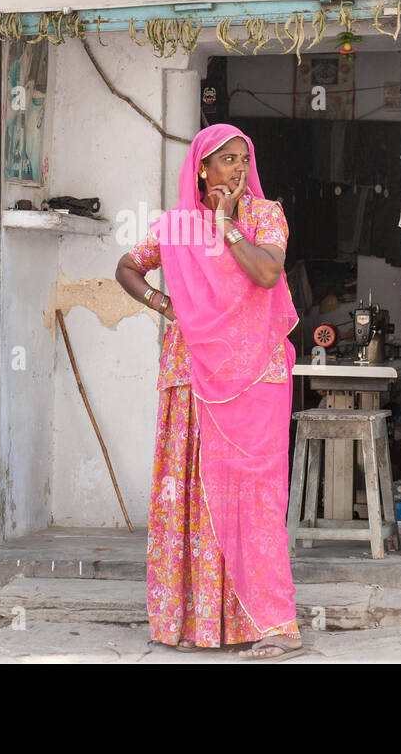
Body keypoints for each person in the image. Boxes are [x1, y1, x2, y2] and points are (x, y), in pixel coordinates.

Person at [115, 124, 303, 661]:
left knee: (254, 496)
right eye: (226, 160)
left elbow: (267, 275)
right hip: (191, 373)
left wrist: (227, 227)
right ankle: (194, 620)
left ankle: (274, 624)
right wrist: (164, 305)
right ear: (201, 168)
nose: (238, 169)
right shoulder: (175, 227)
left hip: (254, 376)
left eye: (244, 159)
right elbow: (127, 267)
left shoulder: (265, 215)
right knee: (192, 494)